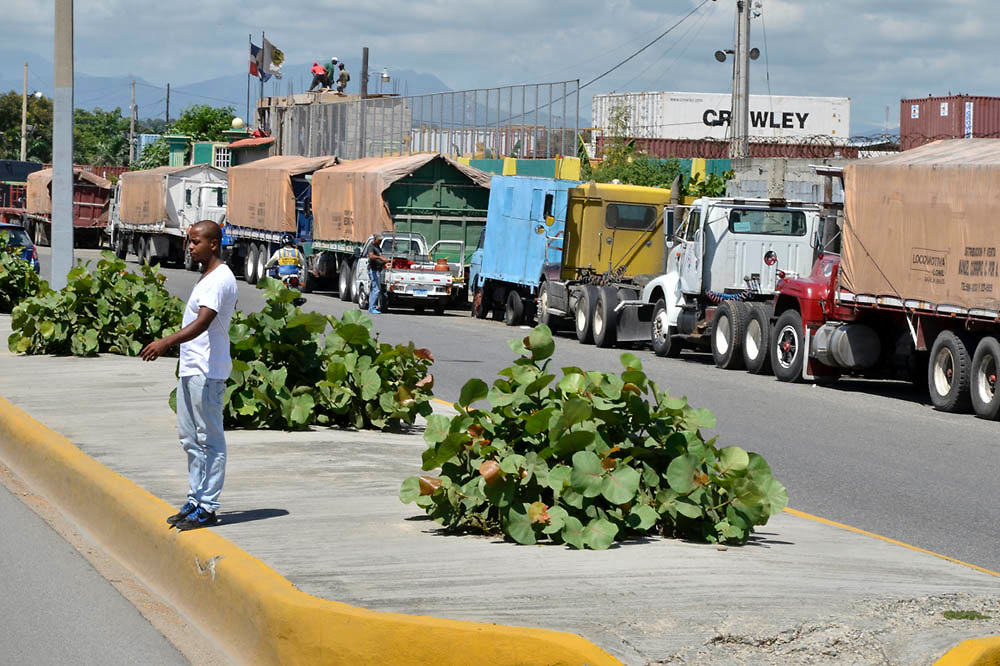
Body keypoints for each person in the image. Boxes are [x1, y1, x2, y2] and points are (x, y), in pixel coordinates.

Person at [140, 220, 238, 531]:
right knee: (190, 439)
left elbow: (203, 323)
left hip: (208, 372)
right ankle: (196, 498)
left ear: (213, 244)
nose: (190, 247)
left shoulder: (219, 279)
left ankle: (208, 506)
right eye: (189, 241)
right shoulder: (206, 277)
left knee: (210, 440)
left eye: (195, 242)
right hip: (193, 368)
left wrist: (165, 342)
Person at [367, 233, 387, 314]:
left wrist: (384, 263)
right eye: (379, 240)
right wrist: (380, 257)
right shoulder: (371, 246)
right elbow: (371, 256)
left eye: (381, 241)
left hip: (377, 270)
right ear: (375, 239)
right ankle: (372, 308)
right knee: (376, 289)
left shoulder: (378, 247)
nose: (380, 242)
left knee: (374, 289)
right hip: (373, 270)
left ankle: (371, 307)